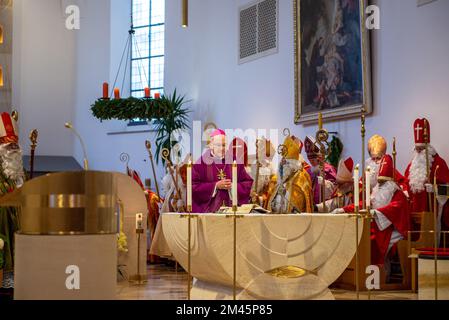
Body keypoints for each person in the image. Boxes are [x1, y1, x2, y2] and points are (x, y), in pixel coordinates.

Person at [336, 155, 410, 272]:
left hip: (397, 229)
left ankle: (382, 274)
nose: (380, 186)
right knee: (364, 238)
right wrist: (344, 210)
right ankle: (366, 273)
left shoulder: (397, 192)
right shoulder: (379, 190)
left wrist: (375, 212)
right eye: (379, 183)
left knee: (373, 241)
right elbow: (367, 203)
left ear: (389, 181)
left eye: (383, 183)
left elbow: (394, 208)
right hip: (383, 225)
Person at [404, 118, 449, 233]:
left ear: (428, 148)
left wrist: (434, 189)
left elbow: (447, 190)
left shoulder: (439, 164)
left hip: (431, 212)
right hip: (414, 214)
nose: (419, 152)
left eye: (422, 149)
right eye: (417, 149)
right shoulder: (411, 166)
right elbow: (405, 185)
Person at [192, 129, 253, 213]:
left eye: (224, 145)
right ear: (211, 145)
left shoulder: (235, 161)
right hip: (210, 212)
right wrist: (215, 186)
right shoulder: (201, 163)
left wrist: (233, 186)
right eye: (218, 145)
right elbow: (193, 187)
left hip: (232, 211)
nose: (221, 148)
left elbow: (247, 182)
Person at [0, 112, 25, 290]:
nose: (14, 150)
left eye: (15, 146)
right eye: (10, 147)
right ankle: (6, 282)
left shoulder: (18, 173)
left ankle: (16, 281)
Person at [267, 135, 313, 213]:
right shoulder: (278, 178)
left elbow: (305, 202)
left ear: (293, 164)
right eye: (283, 161)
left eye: (286, 162)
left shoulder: (302, 176)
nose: (282, 163)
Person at [304, 136, 337, 205]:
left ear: (319, 158)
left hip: (325, 205)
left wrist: (324, 183)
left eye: (313, 159)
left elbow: (335, 188)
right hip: (311, 205)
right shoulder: (308, 171)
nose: (311, 162)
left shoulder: (328, 169)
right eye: (310, 160)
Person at [248, 137, 277, 208]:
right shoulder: (250, 162)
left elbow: (271, 185)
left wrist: (262, 196)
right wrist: (249, 193)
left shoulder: (270, 166)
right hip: (247, 199)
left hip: (261, 202)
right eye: (257, 149)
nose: (257, 151)